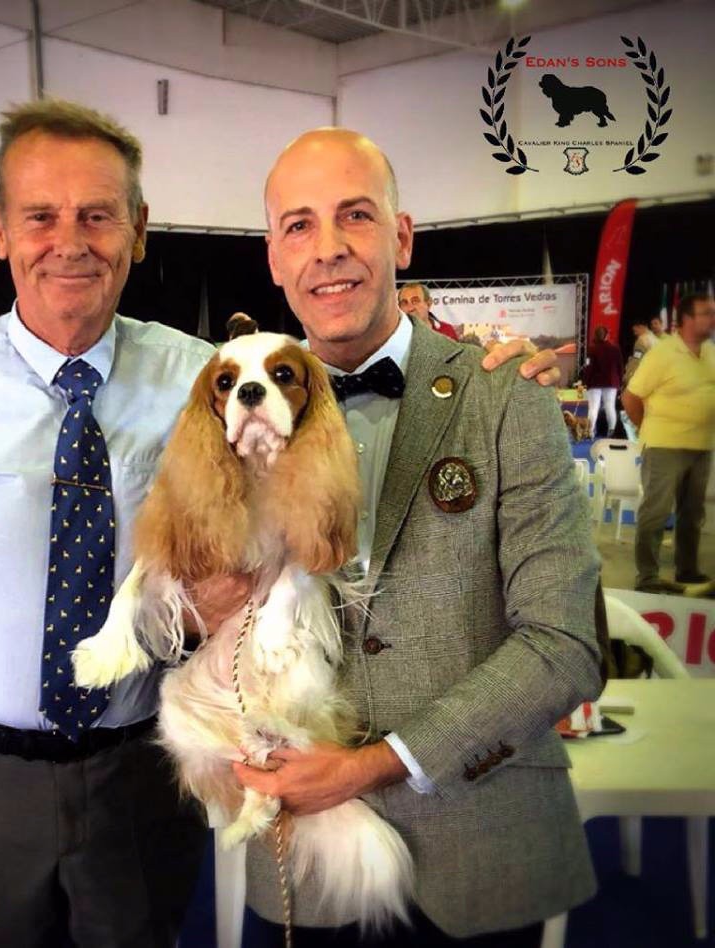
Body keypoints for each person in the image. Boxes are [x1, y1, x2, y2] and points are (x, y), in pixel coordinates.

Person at [0, 100, 562, 948]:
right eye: (41, 216)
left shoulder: (205, 376)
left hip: (150, 769)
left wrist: (500, 371)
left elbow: (315, 386)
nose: (70, 242)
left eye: (98, 215)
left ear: (139, 230)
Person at [237, 128, 602, 946]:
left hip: (480, 851)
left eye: (355, 215)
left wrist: (374, 764)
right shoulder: (240, 415)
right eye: (299, 225)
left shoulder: (508, 397)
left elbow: (565, 644)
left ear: (401, 237)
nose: (328, 249)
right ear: (274, 258)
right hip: (308, 864)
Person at [622, 292, 715, 592]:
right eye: (706, 313)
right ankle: (647, 577)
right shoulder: (662, 354)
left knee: (693, 514)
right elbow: (630, 397)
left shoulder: (711, 353)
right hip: (663, 446)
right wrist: (647, 428)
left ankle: (687, 570)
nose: (712, 318)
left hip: (701, 447)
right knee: (656, 512)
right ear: (686, 319)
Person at [581, 326, 624, 437]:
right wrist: (620, 382)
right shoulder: (615, 349)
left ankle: (590, 432)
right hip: (611, 382)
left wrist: (585, 381)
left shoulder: (592, 349)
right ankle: (612, 431)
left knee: (593, 408)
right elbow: (620, 367)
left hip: (595, 383)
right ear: (607, 335)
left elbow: (588, 367)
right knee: (610, 407)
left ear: (595, 335)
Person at [620, 322, 657, 439]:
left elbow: (635, 363)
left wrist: (627, 378)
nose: (634, 332)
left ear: (641, 326)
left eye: (635, 329)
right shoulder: (656, 340)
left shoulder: (642, 341)